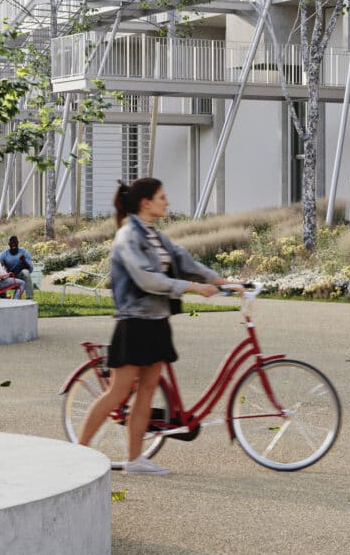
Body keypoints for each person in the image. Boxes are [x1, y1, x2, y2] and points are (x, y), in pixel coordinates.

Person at [77, 177, 240, 475]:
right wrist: (191, 287)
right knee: (118, 392)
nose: (167, 202)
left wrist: (222, 281)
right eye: (162, 197)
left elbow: (185, 260)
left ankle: (136, 459)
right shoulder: (128, 236)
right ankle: (78, 453)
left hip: (157, 322)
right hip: (134, 323)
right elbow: (146, 278)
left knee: (148, 392)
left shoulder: (155, 235)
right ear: (145, 202)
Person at [0, 235, 34, 300]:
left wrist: (24, 261)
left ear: (18, 242)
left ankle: (29, 298)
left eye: (15, 242)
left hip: (20, 277)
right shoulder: (4, 254)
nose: (13, 244)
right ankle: (2, 297)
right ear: (8, 244)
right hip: (9, 277)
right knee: (1, 272)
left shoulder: (24, 252)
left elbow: (30, 269)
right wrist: (1, 265)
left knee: (26, 272)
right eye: (11, 243)